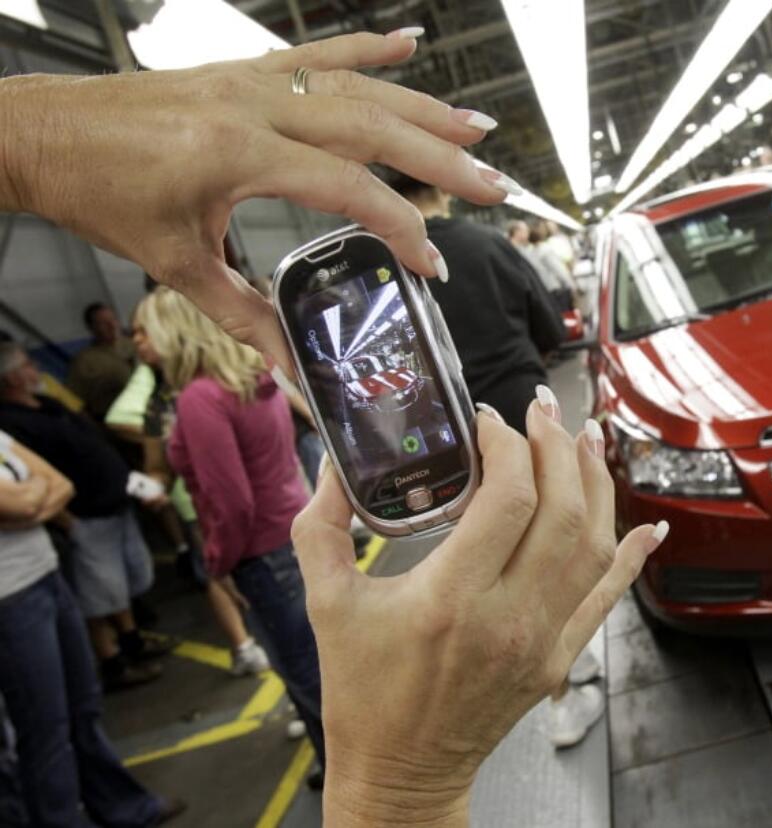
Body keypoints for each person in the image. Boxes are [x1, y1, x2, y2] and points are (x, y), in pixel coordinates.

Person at [0, 30, 665, 822]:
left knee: (487, 597)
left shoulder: (353, 303)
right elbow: (551, 333)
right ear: (439, 191)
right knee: (540, 575)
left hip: (432, 444)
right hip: (518, 425)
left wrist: (29, 143)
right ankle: (566, 680)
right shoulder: (486, 245)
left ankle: (554, 689)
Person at [133, 287, 327, 783]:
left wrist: (217, 564)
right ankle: (336, 766)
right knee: (316, 663)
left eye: (143, 330)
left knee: (304, 673)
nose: (137, 342)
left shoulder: (200, 398)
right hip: (291, 530)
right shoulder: (251, 379)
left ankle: (352, 779)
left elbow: (231, 501)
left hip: (259, 551)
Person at [0, 431, 185, 825]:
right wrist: (32, 496)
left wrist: (30, 502)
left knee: (83, 707)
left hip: (45, 575)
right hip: (9, 597)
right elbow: (23, 498)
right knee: (44, 732)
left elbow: (60, 485)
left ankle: (122, 807)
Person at [0, 342, 174, 691]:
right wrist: (67, 522)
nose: (36, 369)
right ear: (11, 379)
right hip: (85, 517)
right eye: (27, 365)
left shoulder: (46, 404)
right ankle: (113, 661)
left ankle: (131, 640)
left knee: (119, 586)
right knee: (97, 595)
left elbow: (56, 481)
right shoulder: (11, 422)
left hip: (110, 504)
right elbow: (38, 485)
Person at [106, 348, 272, 678]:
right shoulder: (164, 395)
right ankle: (245, 645)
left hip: (253, 512)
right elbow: (126, 427)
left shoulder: (209, 384)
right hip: (214, 509)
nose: (135, 341)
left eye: (143, 331)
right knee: (226, 579)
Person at [390, 174, 565, 435]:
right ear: (445, 190)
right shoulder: (488, 242)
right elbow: (551, 329)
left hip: (444, 429)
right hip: (520, 408)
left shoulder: (388, 265)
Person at [66, 302, 136, 421]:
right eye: (103, 323)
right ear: (92, 328)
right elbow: (73, 401)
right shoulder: (84, 361)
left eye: (113, 319)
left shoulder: (133, 344)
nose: (112, 325)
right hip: (116, 419)